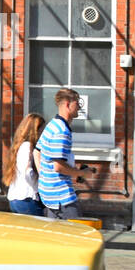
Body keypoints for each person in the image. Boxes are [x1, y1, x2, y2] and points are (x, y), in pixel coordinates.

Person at [36, 88, 87, 220]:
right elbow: (59, 167)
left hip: (48, 194)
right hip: (61, 196)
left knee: (57, 236)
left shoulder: (52, 125)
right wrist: (81, 173)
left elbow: (37, 152)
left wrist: (44, 177)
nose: (79, 107)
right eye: (77, 103)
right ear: (67, 104)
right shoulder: (62, 132)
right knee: (78, 234)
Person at [5, 112, 46, 216]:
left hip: (17, 199)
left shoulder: (21, 146)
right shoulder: (27, 146)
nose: (44, 133)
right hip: (26, 199)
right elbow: (27, 173)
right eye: (42, 130)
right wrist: (39, 185)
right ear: (35, 130)